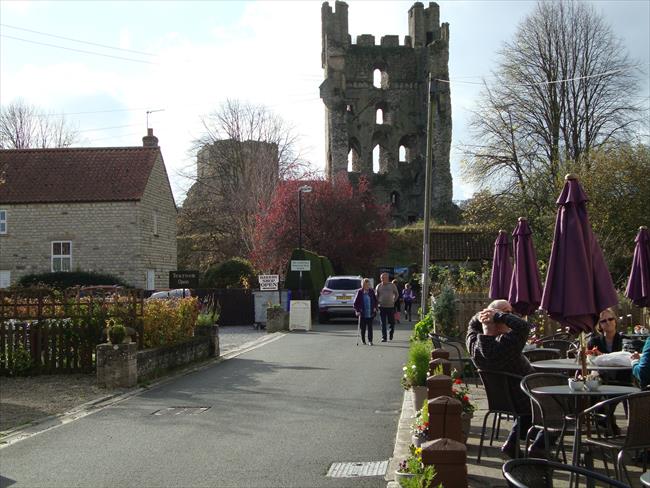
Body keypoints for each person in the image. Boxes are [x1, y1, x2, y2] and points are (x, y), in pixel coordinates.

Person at [466, 299, 552, 459]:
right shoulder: (506, 345)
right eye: (508, 314)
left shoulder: (473, 344)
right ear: (498, 320)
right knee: (562, 406)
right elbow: (524, 326)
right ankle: (539, 446)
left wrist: (484, 316)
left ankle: (512, 444)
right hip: (527, 397)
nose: (511, 316)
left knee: (530, 412)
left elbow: (472, 325)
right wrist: (497, 315)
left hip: (507, 400)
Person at [353, 278, 378, 346]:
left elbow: (375, 301)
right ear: (362, 285)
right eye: (365, 284)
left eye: (368, 284)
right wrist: (357, 311)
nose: (367, 286)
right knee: (363, 328)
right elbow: (355, 303)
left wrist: (375, 307)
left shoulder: (371, 291)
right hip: (362, 313)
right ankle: (363, 340)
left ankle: (370, 341)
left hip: (370, 313)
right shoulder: (360, 292)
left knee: (370, 328)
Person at [375, 272, 399, 342]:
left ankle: (391, 334)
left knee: (392, 322)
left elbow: (397, 294)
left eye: (385, 278)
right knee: (383, 323)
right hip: (381, 307)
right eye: (382, 278)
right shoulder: (378, 286)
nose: (383, 279)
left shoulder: (392, 285)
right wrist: (377, 302)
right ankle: (384, 337)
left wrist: (393, 301)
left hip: (390, 306)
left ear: (387, 278)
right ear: (380, 278)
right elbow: (376, 295)